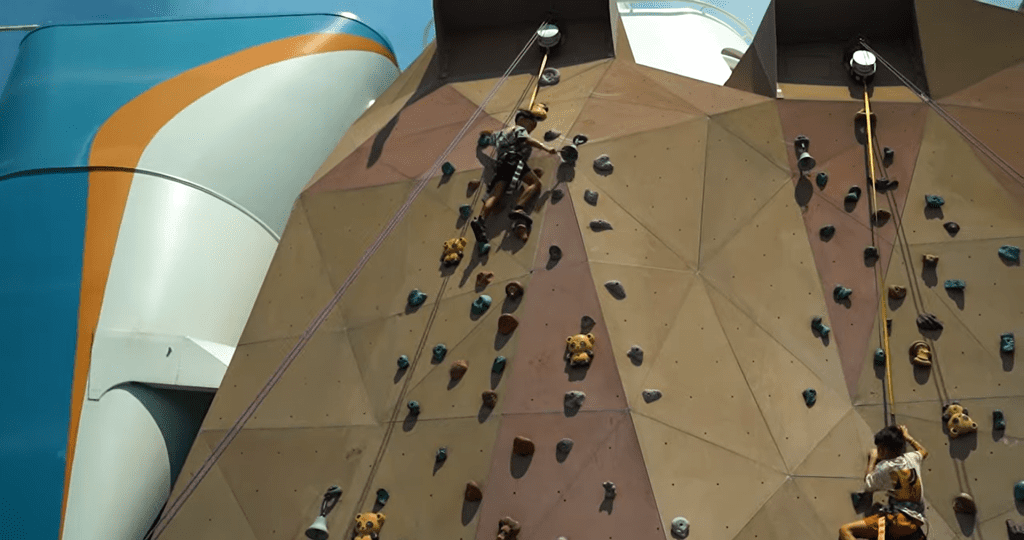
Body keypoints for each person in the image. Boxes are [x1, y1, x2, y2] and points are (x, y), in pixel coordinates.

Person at [470, 103, 557, 243]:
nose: (531, 128)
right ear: (523, 120)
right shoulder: (519, 129)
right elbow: (527, 140)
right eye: (531, 125)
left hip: (501, 165)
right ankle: (519, 207)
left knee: (495, 195)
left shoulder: (500, 134)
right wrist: (546, 148)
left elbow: (485, 141)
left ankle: (480, 220)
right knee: (535, 183)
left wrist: (483, 137)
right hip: (513, 161)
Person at [839, 425, 929, 540]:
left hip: (898, 521)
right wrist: (908, 437)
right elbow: (923, 452)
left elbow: (868, 485)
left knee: (845, 530)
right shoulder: (912, 458)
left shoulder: (884, 468)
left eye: (879, 448)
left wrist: (872, 458)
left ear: (883, 449)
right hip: (917, 520)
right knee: (878, 509)